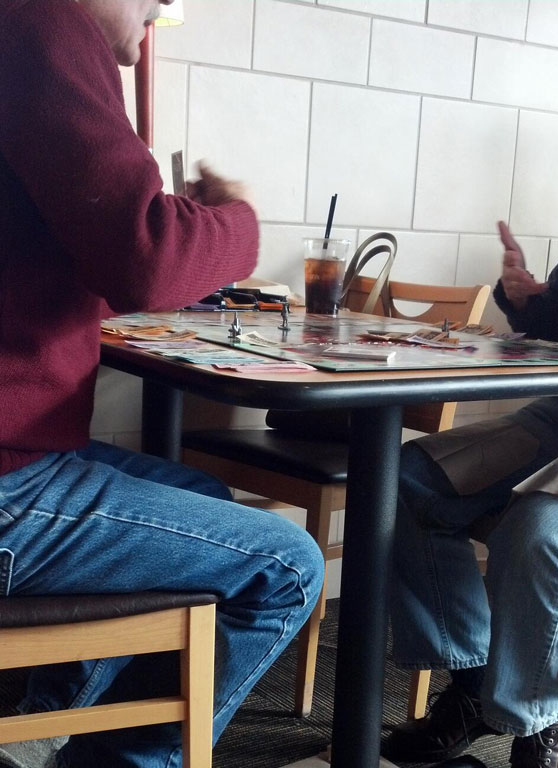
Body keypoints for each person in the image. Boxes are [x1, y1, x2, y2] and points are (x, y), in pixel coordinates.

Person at [0, 2, 324, 767]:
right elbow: (146, 256)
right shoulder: (43, 19)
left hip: (17, 458)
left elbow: (78, 256)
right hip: (9, 485)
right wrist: (237, 223)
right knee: (287, 565)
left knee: (204, 503)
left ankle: (45, 723)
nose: (159, 9)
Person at [383, 42, 558, 768]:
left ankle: (527, 727)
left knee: (538, 533)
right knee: (403, 480)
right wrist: (525, 299)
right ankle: (475, 683)